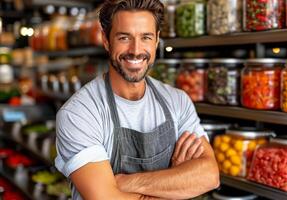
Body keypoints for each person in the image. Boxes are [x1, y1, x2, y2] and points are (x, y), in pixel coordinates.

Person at [54, 0, 220, 199]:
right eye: (124, 37)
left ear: (157, 40)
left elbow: (210, 175)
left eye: (146, 37)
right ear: (106, 41)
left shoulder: (177, 101)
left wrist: (125, 182)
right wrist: (176, 183)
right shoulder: (79, 113)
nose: (135, 49)